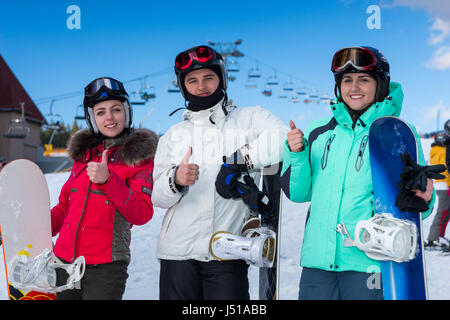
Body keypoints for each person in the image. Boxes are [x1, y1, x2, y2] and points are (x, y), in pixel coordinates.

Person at [280, 46, 435, 300]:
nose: (354, 88)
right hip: (317, 263)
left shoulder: (396, 132)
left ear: (381, 85)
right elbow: (298, 193)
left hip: (370, 263)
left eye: (364, 80)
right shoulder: (318, 131)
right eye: (347, 80)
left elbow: (417, 205)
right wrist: (296, 154)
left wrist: (423, 199)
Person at [152, 45, 288, 300]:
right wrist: (175, 180)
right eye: (192, 80)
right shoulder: (173, 135)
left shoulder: (249, 119)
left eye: (208, 77)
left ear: (221, 79)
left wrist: (237, 162)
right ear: (183, 86)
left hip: (226, 251)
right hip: (177, 255)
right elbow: (158, 199)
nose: (201, 85)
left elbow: (281, 140)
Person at [51, 77, 158, 299]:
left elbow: (142, 213)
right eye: (100, 112)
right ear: (92, 119)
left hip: (106, 268)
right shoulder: (83, 157)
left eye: (115, 110)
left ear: (126, 113)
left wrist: (109, 180)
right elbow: (63, 209)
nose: (109, 117)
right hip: (63, 263)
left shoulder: (139, 159)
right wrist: (28, 230)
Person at [426, 128, 450, 248]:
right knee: (442, 211)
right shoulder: (440, 150)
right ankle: (433, 238)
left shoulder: (437, 150)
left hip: (442, 183)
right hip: (444, 184)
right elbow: (445, 168)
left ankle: (438, 236)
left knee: (446, 211)